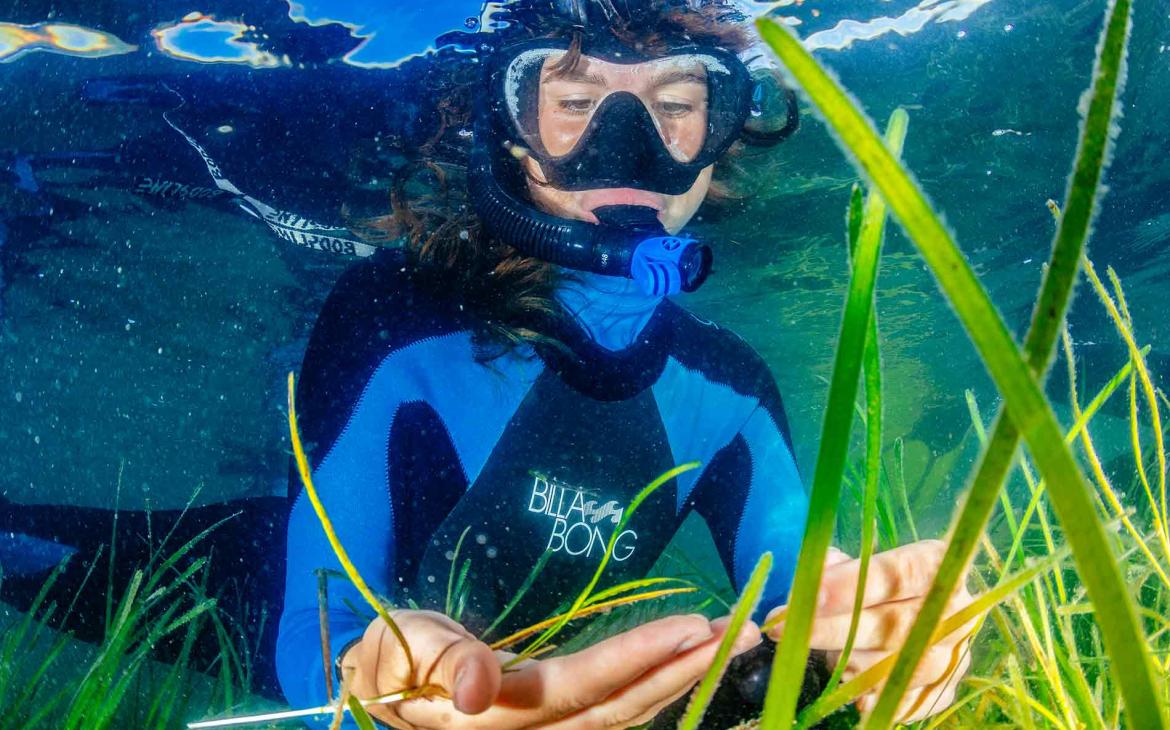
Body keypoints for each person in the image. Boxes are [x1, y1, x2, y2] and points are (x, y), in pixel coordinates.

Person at [276, 1, 976, 728]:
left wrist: (873, 626)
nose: (628, 148)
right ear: (508, 132)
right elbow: (310, 627)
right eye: (575, 103)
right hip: (244, 579)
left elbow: (806, 582)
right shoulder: (394, 313)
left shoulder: (730, 390)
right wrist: (372, 686)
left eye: (675, 105)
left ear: (720, 137)